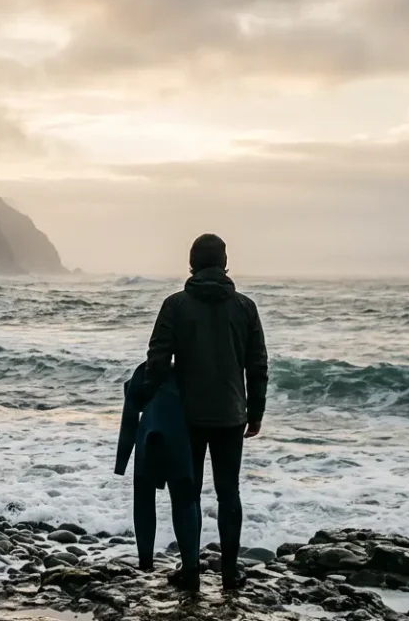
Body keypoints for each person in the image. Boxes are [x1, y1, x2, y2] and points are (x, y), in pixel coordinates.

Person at [146, 233, 268, 592]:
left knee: (188, 493)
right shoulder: (245, 307)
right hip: (232, 415)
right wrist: (255, 411)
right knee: (229, 493)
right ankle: (230, 573)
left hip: (187, 417)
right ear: (225, 262)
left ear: (192, 263)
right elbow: (257, 364)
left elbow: (156, 358)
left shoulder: (175, 305)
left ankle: (190, 572)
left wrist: (154, 402)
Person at [114, 363, 201, 578]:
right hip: (179, 439)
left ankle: (145, 562)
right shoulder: (190, 374)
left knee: (143, 499)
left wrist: (121, 462)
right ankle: (191, 565)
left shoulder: (144, 371)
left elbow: (129, 419)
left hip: (148, 437)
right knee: (184, 500)